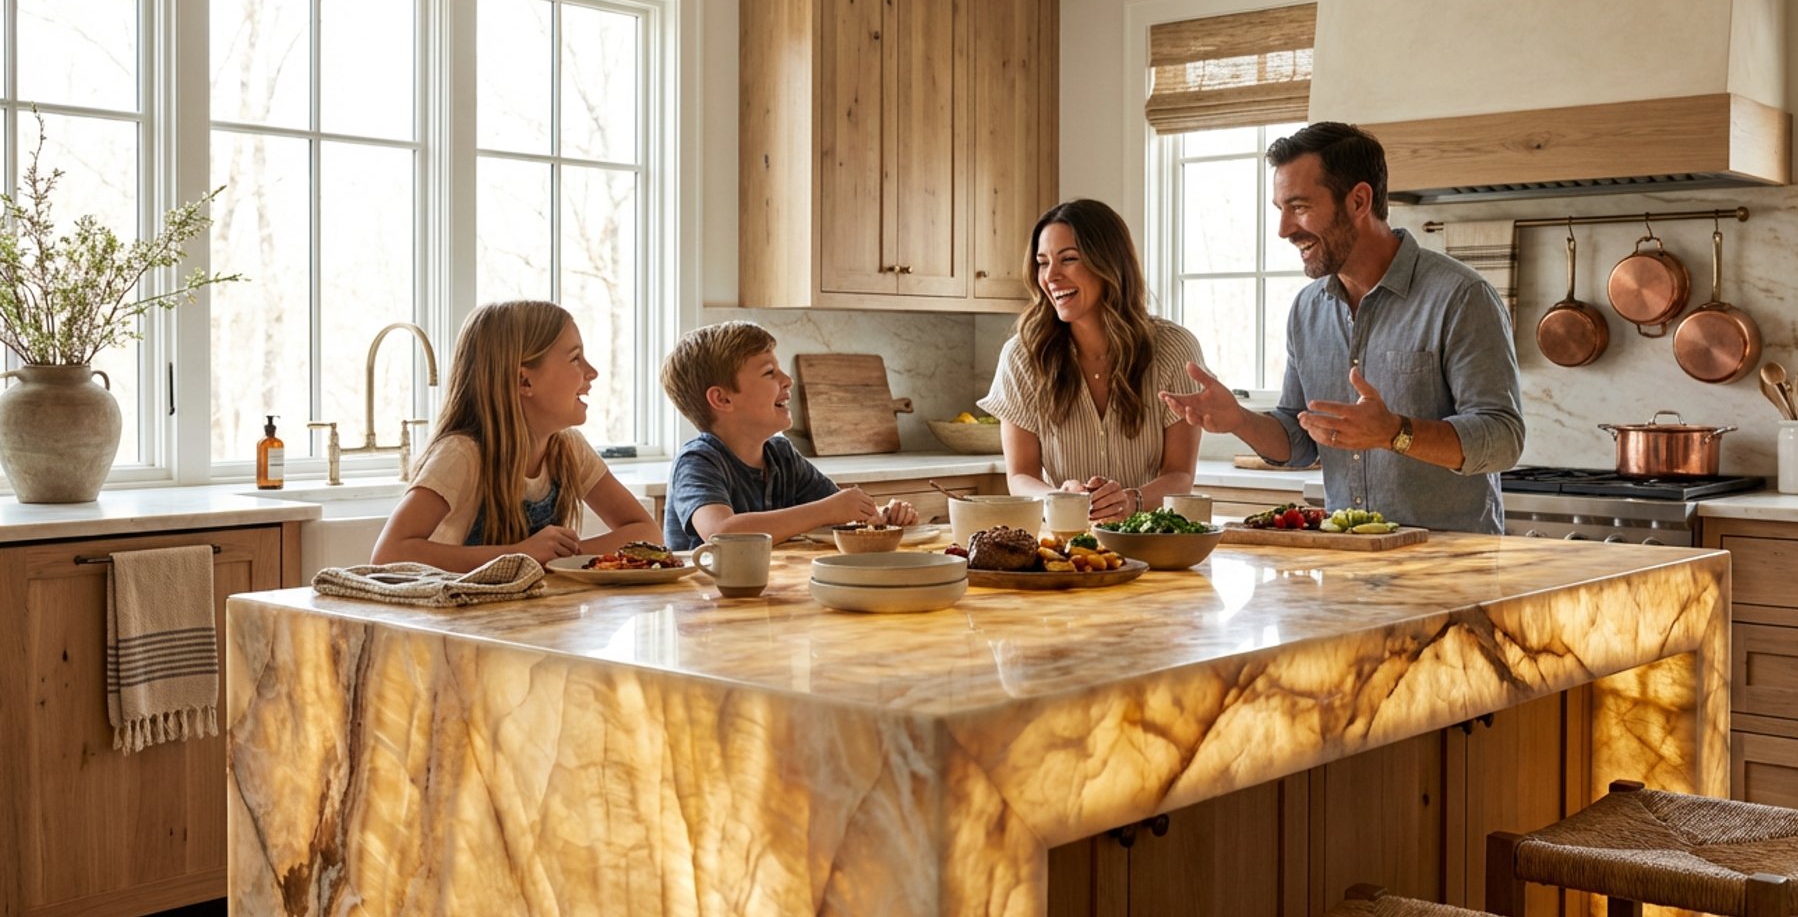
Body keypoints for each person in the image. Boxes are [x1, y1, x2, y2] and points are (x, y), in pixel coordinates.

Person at [1160, 123, 1524, 533]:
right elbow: (1299, 443)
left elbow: (1502, 438)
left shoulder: (1460, 296)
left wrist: (1394, 433)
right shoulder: (1307, 309)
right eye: (1280, 209)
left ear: (1358, 201)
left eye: (1298, 207)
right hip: (1347, 558)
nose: (1283, 229)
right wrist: (1239, 420)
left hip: (1448, 563)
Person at [372, 299, 666, 569]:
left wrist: (561, 556)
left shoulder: (567, 448)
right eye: (575, 358)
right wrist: (519, 554)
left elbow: (647, 532)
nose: (592, 372)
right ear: (524, 380)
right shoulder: (462, 455)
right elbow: (388, 555)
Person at [979, 198, 1206, 522]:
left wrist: (1132, 501)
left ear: (1109, 263)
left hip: (1150, 541)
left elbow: (1180, 475)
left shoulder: (1174, 349)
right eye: (1043, 263)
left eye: (1068, 259)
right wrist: (1059, 499)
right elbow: (1020, 477)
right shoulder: (1022, 357)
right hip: (1068, 546)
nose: (1051, 276)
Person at [661, 321, 917, 548]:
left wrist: (879, 515)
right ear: (722, 398)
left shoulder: (782, 456)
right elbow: (721, 532)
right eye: (769, 372)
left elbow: (838, 511)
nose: (788, 380)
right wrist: (827, 510)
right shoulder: (698, 461)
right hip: (705, 598)